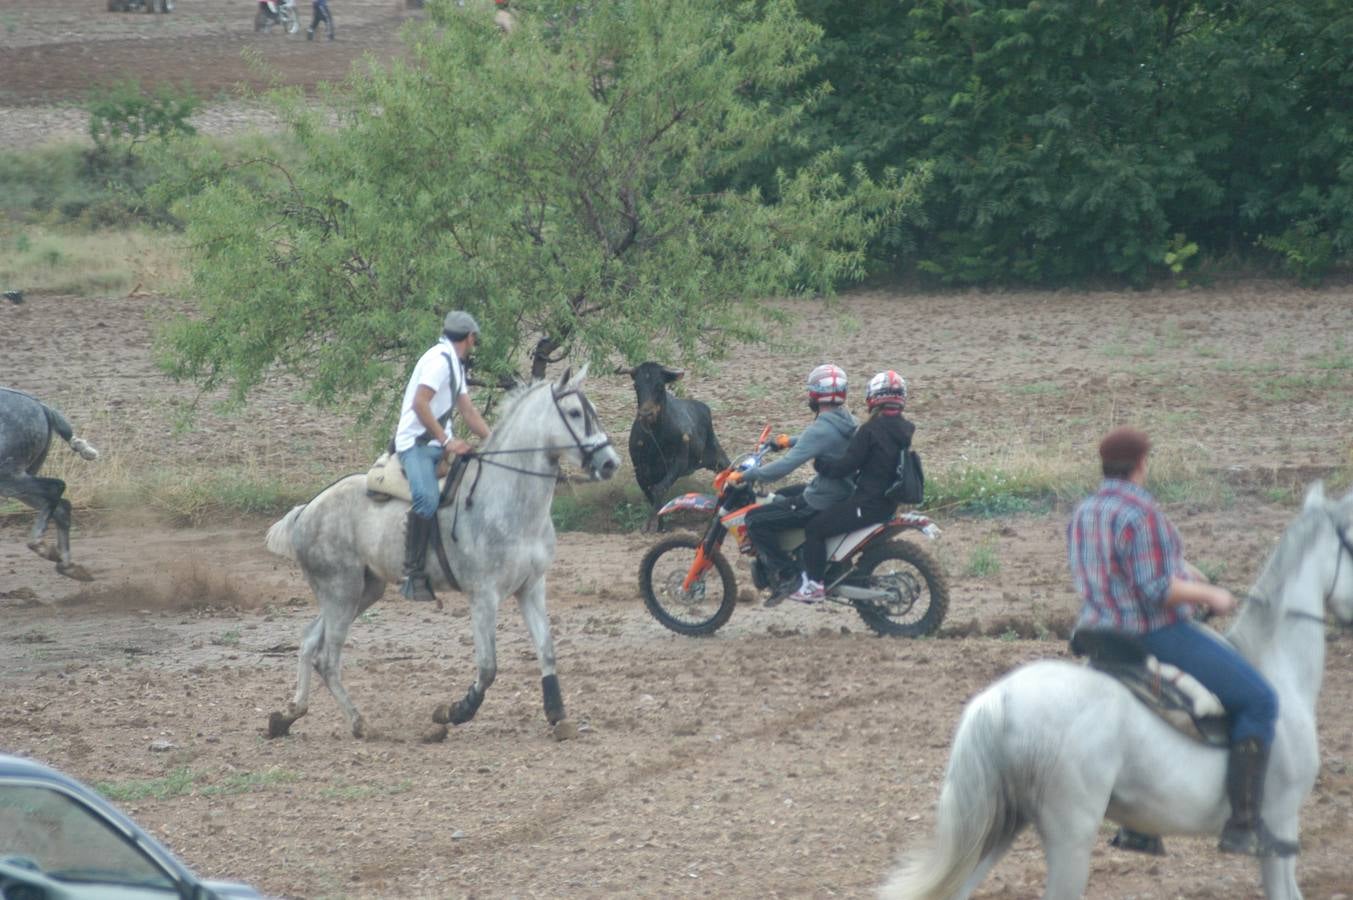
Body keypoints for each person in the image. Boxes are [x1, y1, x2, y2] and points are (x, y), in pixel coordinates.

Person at [1067, 427, 1290, 857]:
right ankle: (1243, 825)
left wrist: (1189, 575)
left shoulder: (1085, 511)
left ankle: (1138, 827)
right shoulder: (1142, 511)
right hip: (1153, 633)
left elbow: (1120, 566)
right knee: (1259, 699)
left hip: (1097, 634)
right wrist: (1212, 595)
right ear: (1141, 464)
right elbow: (1156, 589)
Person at [730, 364, 858, 603]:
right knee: (783, 495)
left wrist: (746, 476)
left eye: (811, 393)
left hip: (822, 499)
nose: (809, 397)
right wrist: (789, 441)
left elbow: (783, 467)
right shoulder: (846, 419)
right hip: (842, 492)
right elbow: (820, 439)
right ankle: (797, 555)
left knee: (755, 520)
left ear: (818, 396)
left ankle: (787, 576)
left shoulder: (821, 428)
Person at [393, 310, 492, 602]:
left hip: (436, 444)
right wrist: (447, 440)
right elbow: (420, 404)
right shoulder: (438, 362)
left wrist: (494, 439)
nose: (475, 343)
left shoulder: (455, 364)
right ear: (470, 337)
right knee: (426, 499)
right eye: (475, 339)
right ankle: (412, 574)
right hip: (416, 444)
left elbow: (468, 411)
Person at [794, 370, 915, 603]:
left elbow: (845, 467)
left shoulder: (870, 431)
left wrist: (821, 464)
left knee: (815, 528)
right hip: (887, 503)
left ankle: (814, 585)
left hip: (867, 504)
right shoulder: (904, 429)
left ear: (873, 397)